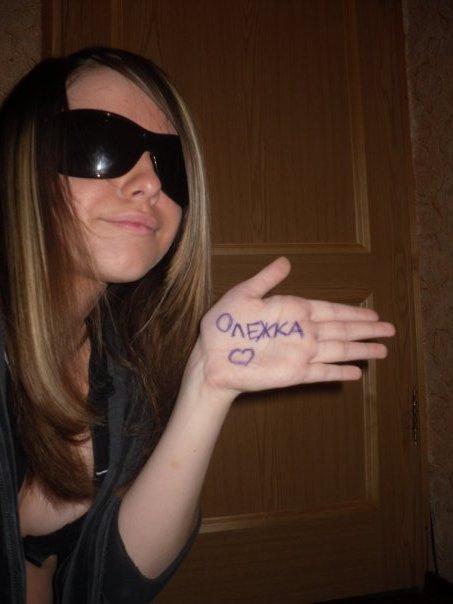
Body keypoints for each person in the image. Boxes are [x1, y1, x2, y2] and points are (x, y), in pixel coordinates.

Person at [0, 46, 396, 603]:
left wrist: (208, 385)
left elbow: (111, 581)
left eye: (169, 162)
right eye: (101, 144)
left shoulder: (121, 366)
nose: (149, 183)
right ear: (22, 161)